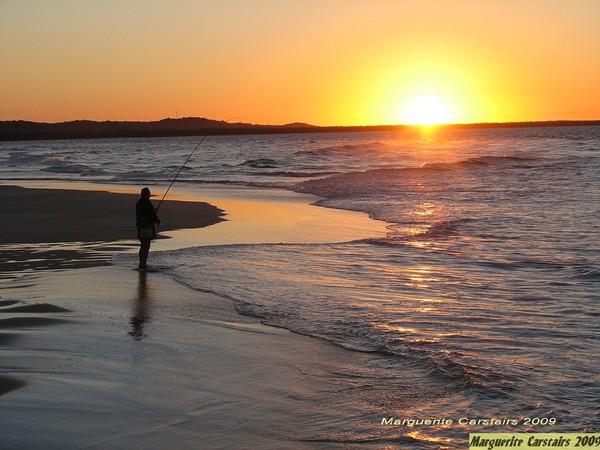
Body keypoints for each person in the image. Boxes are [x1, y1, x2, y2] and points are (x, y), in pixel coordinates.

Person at [136, 187, 160, 269]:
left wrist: (153, 211)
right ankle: (143, 264)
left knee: (143, 245)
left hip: (140, 226)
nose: (150, 194)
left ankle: (141, 263)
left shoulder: (138, 203)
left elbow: (145, 213)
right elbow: (151, 215)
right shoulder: (147, 203)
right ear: (147, 194)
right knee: (146, 245)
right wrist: (157, 220)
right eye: (149, 193)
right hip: (147, 226)